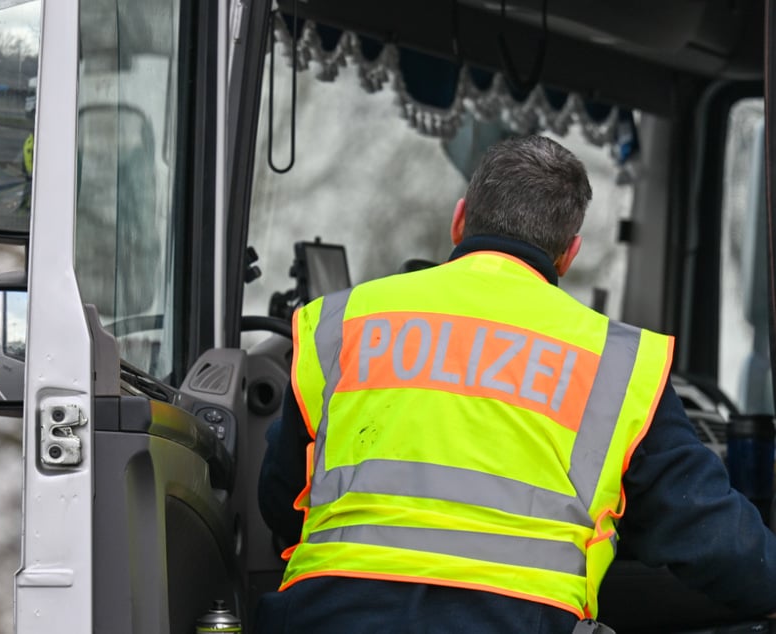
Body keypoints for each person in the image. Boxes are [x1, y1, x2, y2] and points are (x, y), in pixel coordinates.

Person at [255, 135, 776, 633]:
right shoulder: (615, 363)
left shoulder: (342, 323)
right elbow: (712, 537)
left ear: (459, 220)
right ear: (568, 254)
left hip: (327, 618)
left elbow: (281, 501)